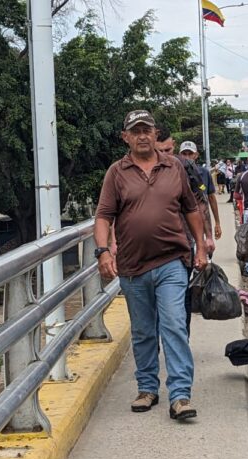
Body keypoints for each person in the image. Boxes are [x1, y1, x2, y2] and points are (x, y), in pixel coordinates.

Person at [94, 110, 207, 420]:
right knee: (144, 331)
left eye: (147, 129)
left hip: (172, 260)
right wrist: (103, 251)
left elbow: (191, 209)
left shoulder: (175, 167)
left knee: (173, 324)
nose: (142, 135)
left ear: (156, 134)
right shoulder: (116, 173)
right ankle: (147, 388)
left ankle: (181, 395)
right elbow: (104, 215)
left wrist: (201, 246)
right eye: (136, 130)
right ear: (126, 137)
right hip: (132, 266)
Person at [179, 141, 222, 248]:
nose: (187, 157)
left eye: (190, 154)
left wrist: (217, 223)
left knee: (206, 251)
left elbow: (211, 198)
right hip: (182, 223)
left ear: (196, 155)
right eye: (184, 154)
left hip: (202, 220)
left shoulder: (204, 173)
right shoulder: (175, 173)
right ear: (180, 155)